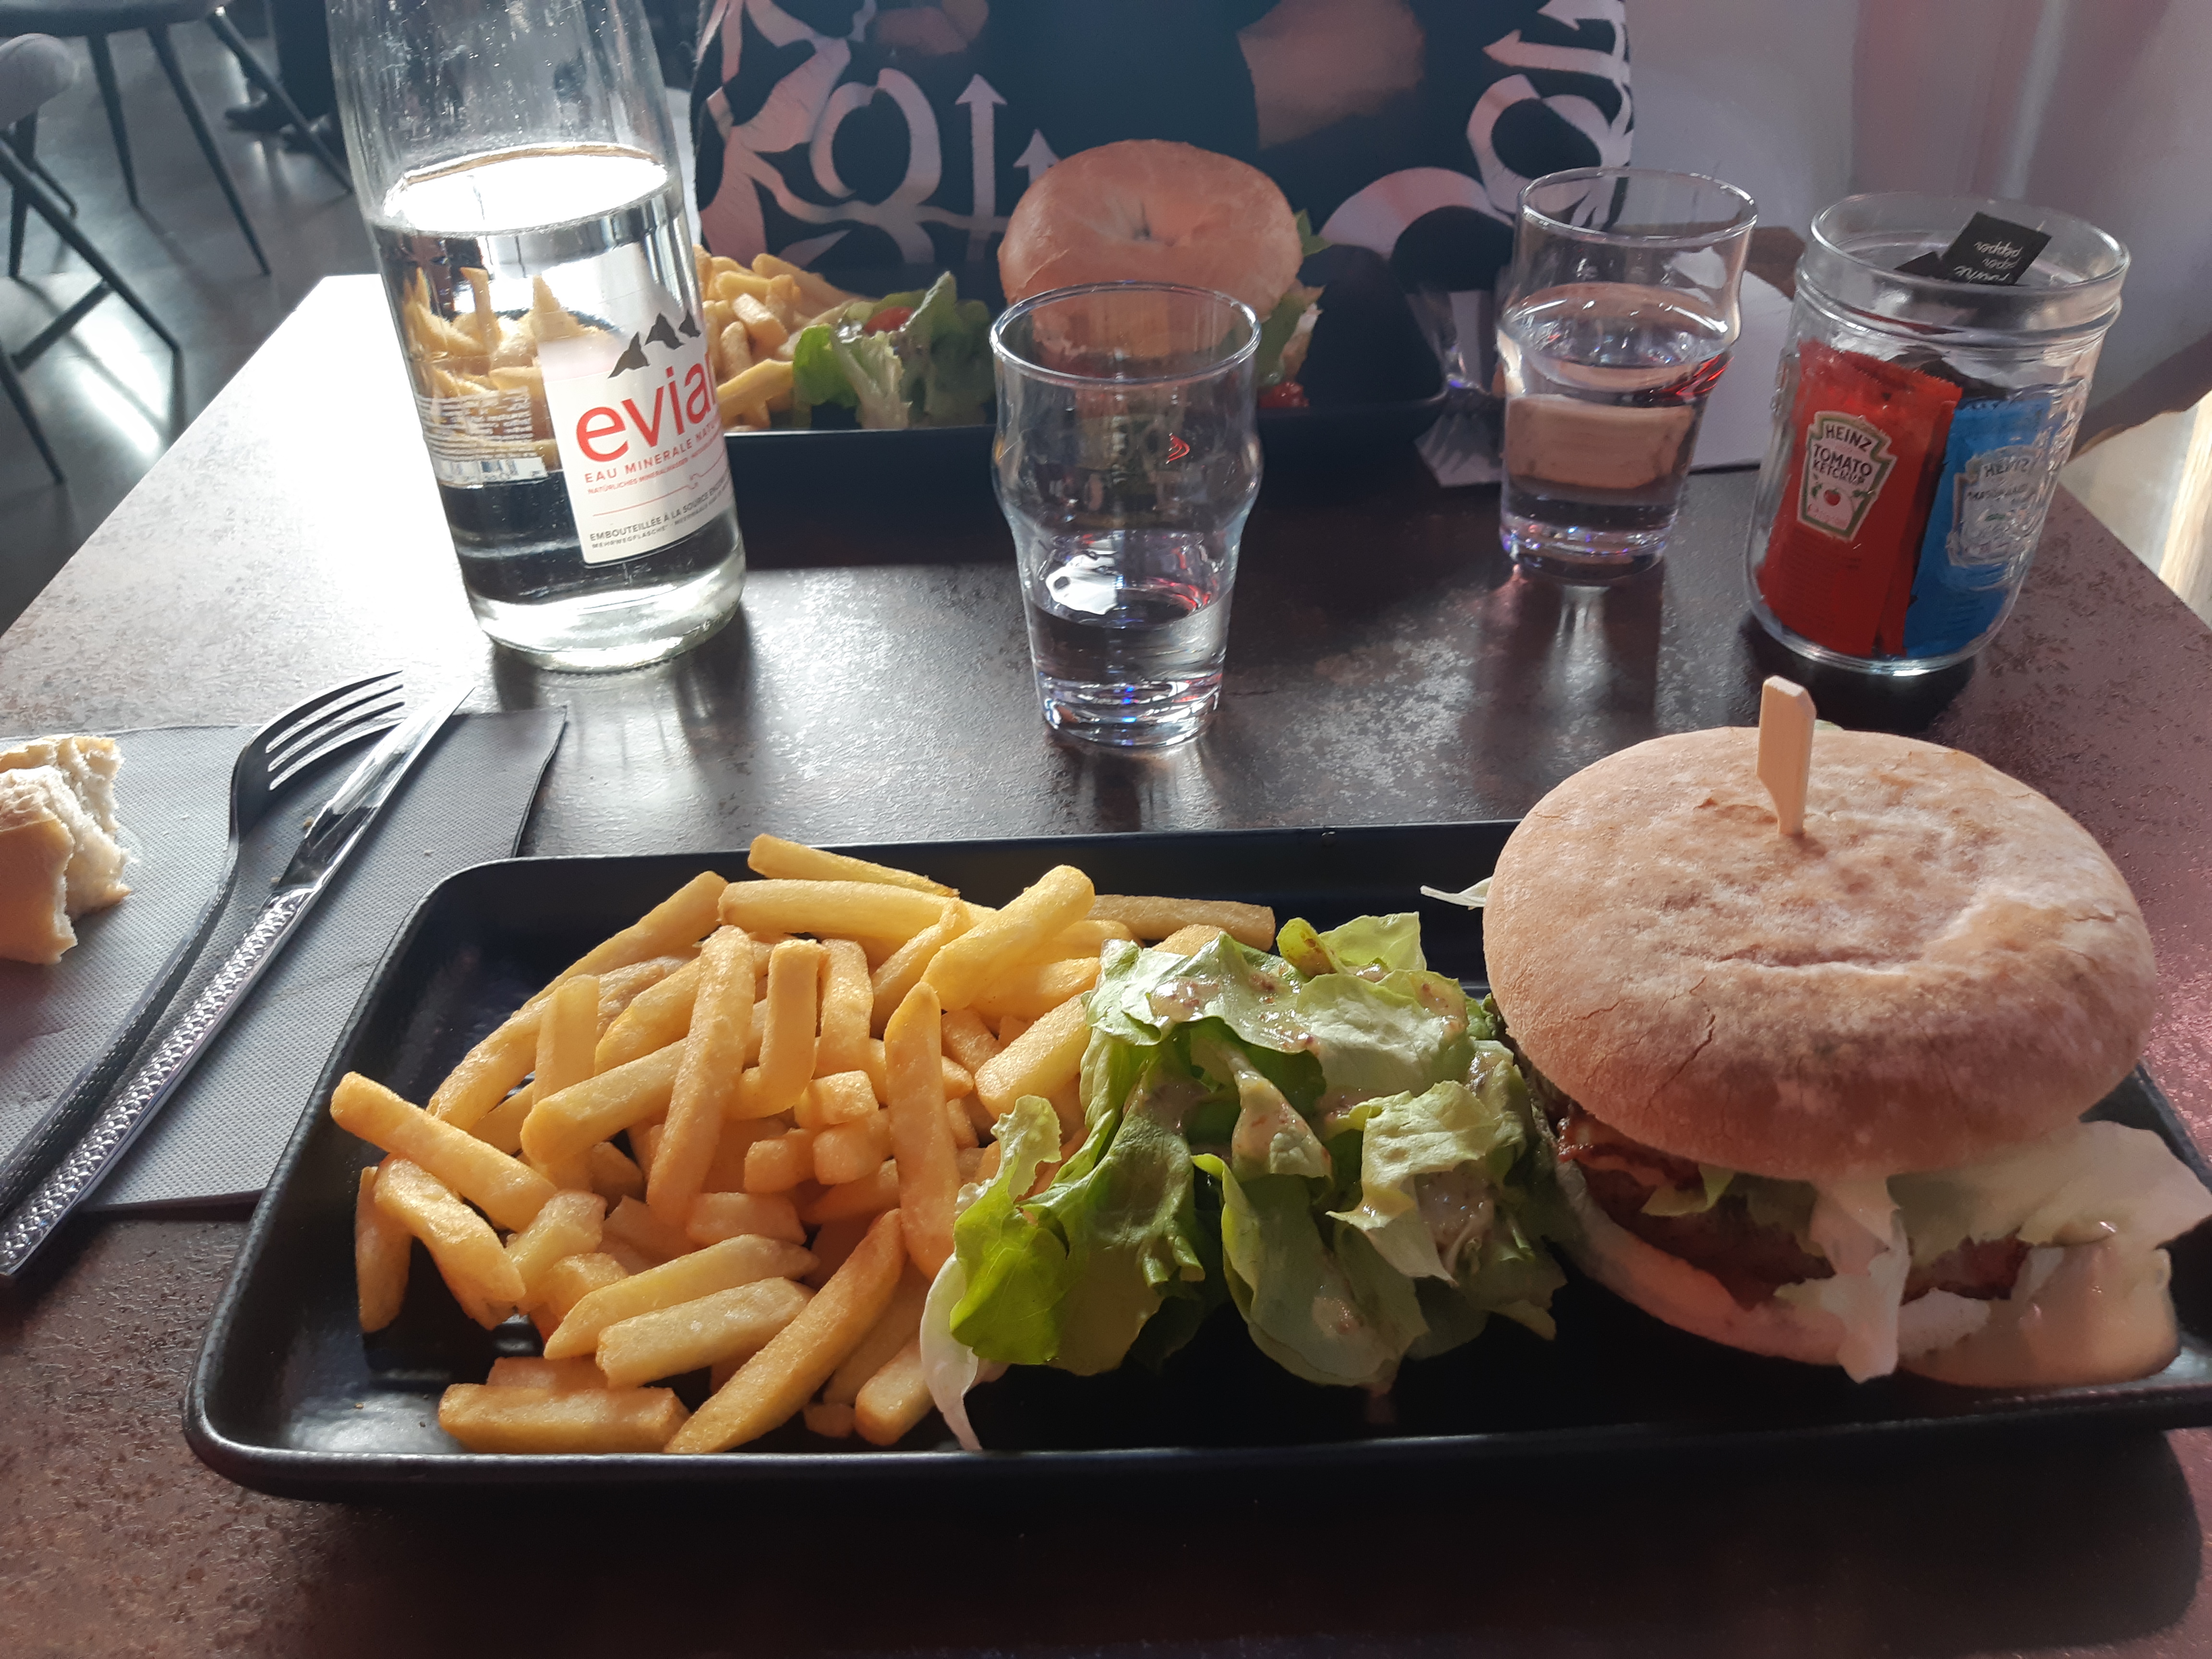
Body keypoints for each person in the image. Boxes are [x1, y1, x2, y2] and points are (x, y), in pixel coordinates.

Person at [690, 0, 1631, 294]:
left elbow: (1557, 205)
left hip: (1390, 520)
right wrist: (1248, 85)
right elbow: (767, 189)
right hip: (914, 528)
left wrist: (1008, 47)